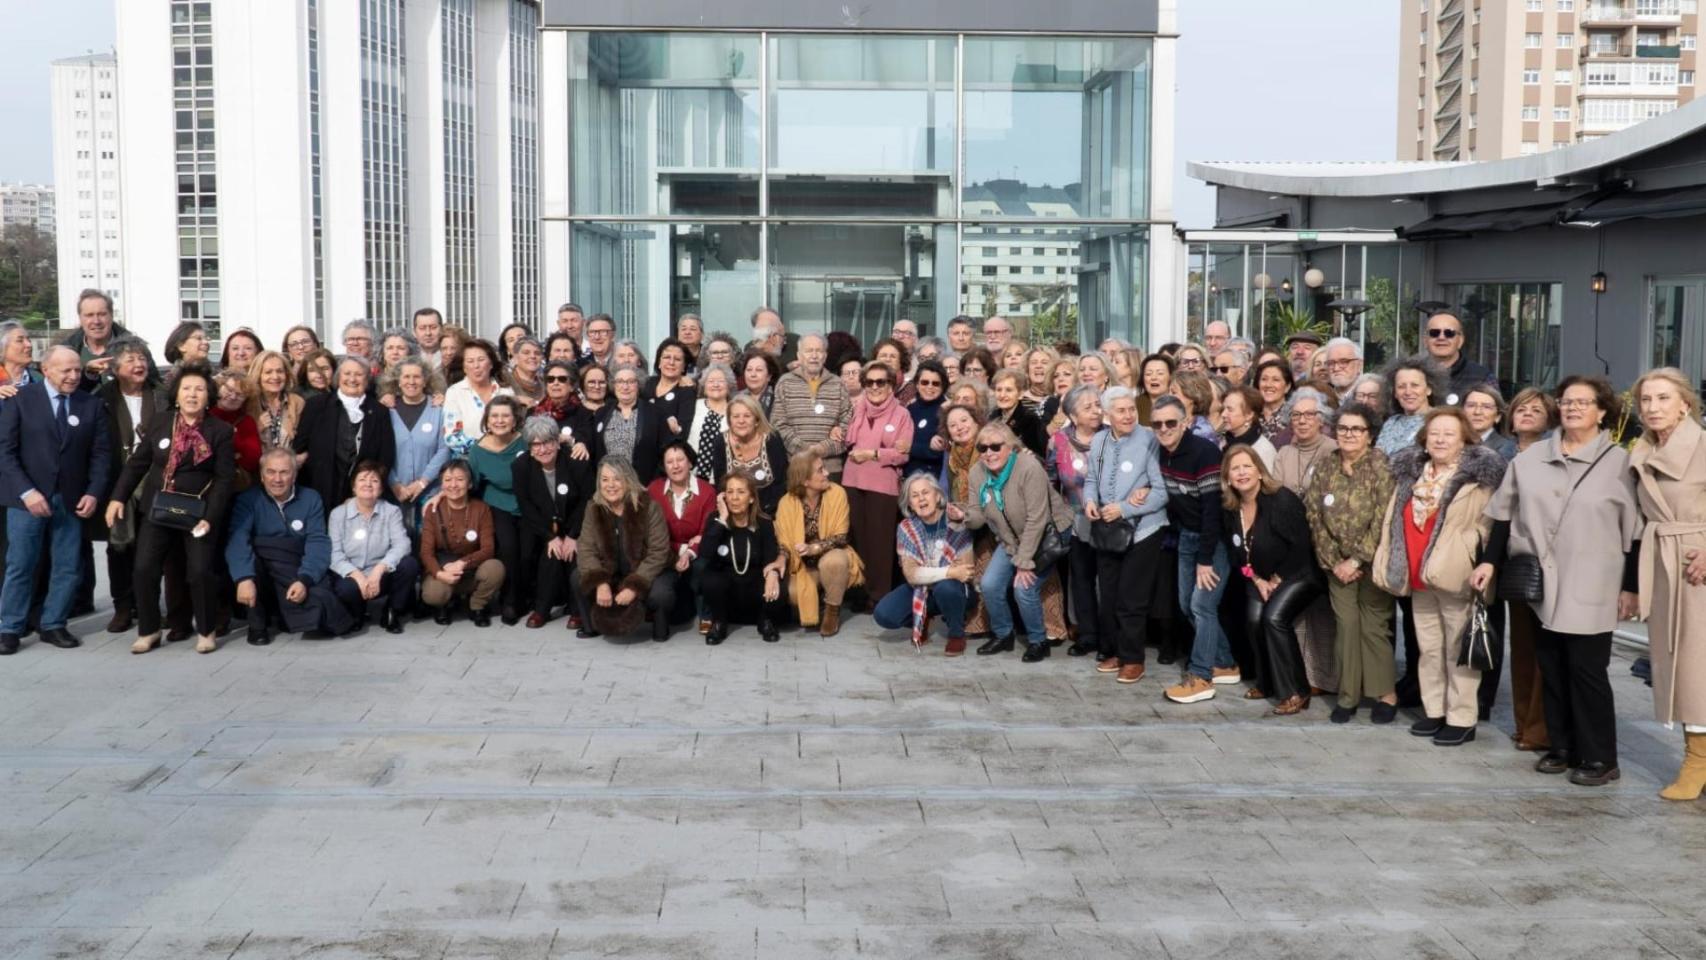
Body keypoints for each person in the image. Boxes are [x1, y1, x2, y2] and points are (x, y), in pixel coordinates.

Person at [1475, 375, 1641, 787]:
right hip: (1541, 582)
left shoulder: (1620, 463)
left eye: (1583, 402)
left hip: (1594, 581)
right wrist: (1489, 563)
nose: (1572, 408)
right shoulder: (1529, 459)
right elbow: (1503, 515)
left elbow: (1636, 533)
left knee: (1587, 670)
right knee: (1549, 665)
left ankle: (1600, 757)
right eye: (1567, 401)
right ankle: (1561, 746)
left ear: (1602, 411)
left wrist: (1631, 587)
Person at [1373, 408, 1505, 746]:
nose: (1440, 440)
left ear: (1464, 440)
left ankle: (1461, 718)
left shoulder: (1477, 479)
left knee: (1456, 651)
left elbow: (1488, 526)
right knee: (1429, 649)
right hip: (1419, 575)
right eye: (1434, 433)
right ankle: (1435, 710)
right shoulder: (1411, 475)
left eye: (1449, 434)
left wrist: (1467, 553)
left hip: (1456, 576)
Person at [1625, 369, 1706, 799]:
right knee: (1678, 664)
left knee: (1697, 667)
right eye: (1646, 400)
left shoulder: (1703, 446)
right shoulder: (1642, 450)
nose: (1653, 407)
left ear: (1684, 405)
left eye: (1662, 398)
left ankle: (1697, 761)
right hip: (1662, 561)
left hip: (1696, 564)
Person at [0, 347, 112, 654]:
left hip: (72, 499)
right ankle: (9, 628)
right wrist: (27, 492)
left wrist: (93, 492)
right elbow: (5, 452)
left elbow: (101, 455)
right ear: (46, 370)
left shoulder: (90, 405)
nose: (74, 376)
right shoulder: (20, 400)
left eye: (77, 370)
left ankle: (53, 623)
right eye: (66, 370)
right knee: (21, 564)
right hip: (27, 500)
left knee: (67, 565)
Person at [952, 417, 1077, 663]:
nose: (989, 453)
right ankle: (1003, 635)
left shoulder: (1028, 468)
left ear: (1010, 447)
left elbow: (1037, 519)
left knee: (1024, 588)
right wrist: (962, 516)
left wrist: (1023, 562)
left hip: (1048, 533)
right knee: (989, 584)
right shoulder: (978, 473)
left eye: (995, 446)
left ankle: (1038, 641)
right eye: (983, 448)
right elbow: (978, 516)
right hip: (1011, 538)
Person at [1304, 402, 1397, 724]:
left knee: (1373, 628)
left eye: (1357, 429)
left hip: (1372, 562)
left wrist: (1357, 559)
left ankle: (1385, 694)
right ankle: (1348, 696)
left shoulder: (1381, 466)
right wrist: (1336, 561)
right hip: (1336, 566)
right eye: (1343, 428)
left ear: (1369, 435)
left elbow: (1384, 517)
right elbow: (1314, 514)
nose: (1349, 434)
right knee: (1346, 627)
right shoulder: (1326, 465)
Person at [1151, 394, 1241, 703]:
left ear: (1185, 422)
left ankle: (1201, 676)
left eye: (1170, 422)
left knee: (1202, 605)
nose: (1164, 429)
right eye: (1157, 424)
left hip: (1212, 541)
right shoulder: (1161, 452)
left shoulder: (1204, 452)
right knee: (1187, 605)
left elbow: (1212, 510)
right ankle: (1225, 662)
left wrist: (1206, 559)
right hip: (1187, 538)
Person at [1223, 444, 1321, 715]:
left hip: (1299, 573)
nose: (1242, 473)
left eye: (1247, 466)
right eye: (1235, 469)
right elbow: (1238, 555)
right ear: (1227, 477)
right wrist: (1256, 579)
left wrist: (1276, 579)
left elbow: (1302, 547)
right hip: (1260, 577)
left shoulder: (1280, 499)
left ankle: (1296, 691)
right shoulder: (1231, 508)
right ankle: (1266, 682)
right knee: (1254, 619)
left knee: (1274, 618)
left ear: (1260, 471)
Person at [224, 447, 354, 645]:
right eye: (271, 472)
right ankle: (257, 624)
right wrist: (243, 578)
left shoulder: (311, 498)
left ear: (294, 475)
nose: (277, 479)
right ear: (262, 476)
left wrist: (304, 579)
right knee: (250, 561)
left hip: (296, 566)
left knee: (321, 602)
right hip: (264, 570)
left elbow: (317, 542)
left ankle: (285, 615)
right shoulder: (248, 500)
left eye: (284, 472)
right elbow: (238, 540)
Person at [92, 339, 162, 634]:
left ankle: (149, 606)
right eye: (131, 359)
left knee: (151, 547)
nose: (139, 364)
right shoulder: (103, 397)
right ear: (115, 368)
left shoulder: (160, 394)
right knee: (119, 546)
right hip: (117, 480)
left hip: (153, 481)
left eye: (142, 358)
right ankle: (123, 606)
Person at [573, 458, 677, 641]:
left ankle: (660, 625)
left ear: (628, 480)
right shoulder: (593, 508)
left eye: (617, 479)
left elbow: (658, 552)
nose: (610, 485)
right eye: (605, 479)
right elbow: (586, 548)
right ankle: (592, 626)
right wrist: (600, 583)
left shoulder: (649, 507)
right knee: (577, 577)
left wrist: (634, 587)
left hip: (645, 571)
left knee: (661, 593)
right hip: (612, 572)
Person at [872, 472, 974, 655]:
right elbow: (912, 575)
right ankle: (924, 616)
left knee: (946, 588)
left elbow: (965, 571)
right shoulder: (906, 528)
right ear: (910, 504)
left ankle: (956, 634)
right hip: (921, 588)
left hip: (955, 590)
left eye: (925, 492)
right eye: (915, 495)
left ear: (938, 495)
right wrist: (949, 571)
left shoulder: (955, 520)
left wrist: (937, 574)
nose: (921, 499)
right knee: (883, 614)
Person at [841, 359, 912, 606]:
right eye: (869, 382)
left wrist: (873, 454)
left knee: (880, 543)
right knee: (857, 538)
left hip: (883, 485)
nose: (874, 387)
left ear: (891, 384)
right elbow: (846, 440)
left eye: (880, 382)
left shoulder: (902, 414)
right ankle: (859, 591)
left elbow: (903, 454)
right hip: (852, 480)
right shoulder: (856, 409)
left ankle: (879, 596)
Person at [775, 453, 863, 636]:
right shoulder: (786, 503)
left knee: (834, 562)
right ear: (805, 481)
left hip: (831, 554)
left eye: (824, 468)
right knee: (793, 594)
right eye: (820, 470)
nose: (827, 473)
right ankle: (818, 602)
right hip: (802, 564)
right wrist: (782, 558)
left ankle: (832, 610)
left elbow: (841, 537)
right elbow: (783, 542)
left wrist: (814, 548)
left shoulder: (837, 493)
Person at [295, 356, 396, 514]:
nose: (352, 379)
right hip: (320, 491)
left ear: (367, 379)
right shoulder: (316, 405)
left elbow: (385, 456)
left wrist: (363, 492)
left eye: (358, 374)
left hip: (361, 496)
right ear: (338, 377)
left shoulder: (379, 411)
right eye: (347, 374)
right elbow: (300, 446)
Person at [328, 460, 419, 634]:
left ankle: (392, 610)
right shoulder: (338, 514)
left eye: (374, 480)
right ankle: (357, 611)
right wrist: (358, 576)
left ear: (381, 489)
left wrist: (380, 569)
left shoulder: (391, 511)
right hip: (352, 575)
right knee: (346, 589)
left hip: (382, 574)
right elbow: (335, 554)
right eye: (362, 479)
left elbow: (403, 544)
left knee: (409, 565)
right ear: (353, 487)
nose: (368, 484)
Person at [514, 415, 588, 629]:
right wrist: (551, 537)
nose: (543, 449)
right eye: (536, 444)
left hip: (576, 522)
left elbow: (587, 500)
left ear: (557, 442)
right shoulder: (521, 466)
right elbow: (526, 505)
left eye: (547, 442)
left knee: (573, 553)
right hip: (542, 525)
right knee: (551, 553)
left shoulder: (575, 461)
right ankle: (542, 609)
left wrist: (572, 536)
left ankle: (577, 610)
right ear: (530, 448)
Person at [1046, 386, 1103, 657]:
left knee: (1108, 580)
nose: (1096, 411)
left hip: (1110, 518)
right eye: (1088, 407)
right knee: (1081, 579)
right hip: (1075, 520)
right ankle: (1087, 634)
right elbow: (1050, 481)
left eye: (1097, 405)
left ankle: (1110, 634)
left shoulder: (1111, 436)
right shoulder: (1058, 441)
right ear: (1073, 415)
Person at [699, 471, 786, 645]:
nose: (734, 498)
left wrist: (772, 574)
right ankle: (719, 622)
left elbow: (770, 557)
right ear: (723, 497)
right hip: (726, 585)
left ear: (751, 498)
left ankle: (765, 620)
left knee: (779, 583)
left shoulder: (764, 523)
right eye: (730, 492)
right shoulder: (715, 520)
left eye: (741, 492)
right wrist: (722, 519)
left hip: (754, 583)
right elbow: (705, 553)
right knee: (710, 579)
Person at [462, 396, 526, 623]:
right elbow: (470, 485)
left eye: (505, 416)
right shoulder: (478, 451)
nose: (500, 420)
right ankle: (509, 602)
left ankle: (528, 596)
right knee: (508, 548)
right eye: (494, 416)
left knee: (528, 550)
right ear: (487, 421)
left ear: (515, 420)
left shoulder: (525, 441)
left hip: (527, 503)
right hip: (497, 505)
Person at [419, 459, 505, 626]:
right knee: (433, 594)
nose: (453, 485)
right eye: (448, 480)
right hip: (444, 570)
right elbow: (426, 552)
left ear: (470, 484)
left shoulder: (481, 509)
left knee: (495, 568)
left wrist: (462, 563)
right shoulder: (433, 510)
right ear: (441, 484)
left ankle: (477, 605)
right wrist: (440, 574)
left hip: (471, 569)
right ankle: (444, 604)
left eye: (460, 479)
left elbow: (488, 549)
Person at [647, 441, 717, 634]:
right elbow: (652, 533)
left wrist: (689, 552)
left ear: (690, 463)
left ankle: (707, 614)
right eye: (669, 462)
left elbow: (706, 533)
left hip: (698, 554)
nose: (675, 466)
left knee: (703, 566)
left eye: (680, 460)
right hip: (665, 552)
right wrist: (680, 549)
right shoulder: (653, 490)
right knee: (677, 617)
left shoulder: (707, 491)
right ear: (664, 466)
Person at [771, 334, 853, 478]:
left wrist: (823, 448)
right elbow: (778, 424)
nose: (814, 356)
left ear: (825, 356)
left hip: (831, 468)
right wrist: (805, 449)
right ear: (799, 355)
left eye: (818, 351)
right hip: (796, 466)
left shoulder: (838, 384)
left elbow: (848, 424)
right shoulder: (785, 383)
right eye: (809, 351)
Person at [387, 357, 450, 532]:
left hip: (431, 492)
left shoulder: (439, 409)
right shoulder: (387, 410)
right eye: (406, 377)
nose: (411, 381)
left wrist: (422, 482)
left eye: (417, 377)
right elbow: (381, 451)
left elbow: (444, 449)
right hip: (395, 493)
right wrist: (394, 483)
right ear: (398, 381)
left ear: (425, 380)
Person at [62, 289, 159, 391]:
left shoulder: (136, 348)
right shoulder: (65, 351)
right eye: (89, 315)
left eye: (102, 314)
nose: (96, 321)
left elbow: (155, 387)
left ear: (111, 315)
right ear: (80, 318)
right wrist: (88, 374)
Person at [594, 364, 664, 484]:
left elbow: (663, 451)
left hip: (643, 484)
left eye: (631, 382)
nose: (625, 387)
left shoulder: (654, 413)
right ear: (614, 385)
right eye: (620, 381)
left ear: (638, 385)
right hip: (610, 485)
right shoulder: (602, 413)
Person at [442, 338, 512, 456]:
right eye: (470, 361)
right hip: (469, 460)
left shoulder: (506, 391)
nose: (476, 366)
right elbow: (451, 437)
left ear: (491, 364)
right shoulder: (454, 392)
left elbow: (515, 429)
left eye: (481, 360)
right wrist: (487, 447)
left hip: (505, 456)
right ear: (464, 367)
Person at [1377, 355, 1447, 456]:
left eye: (1415, 385)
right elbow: (1377, 457)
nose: (1408, 392)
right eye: (1401, 386)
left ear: (1429, 389)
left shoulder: (1440, 420)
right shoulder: (1392, 422)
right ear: (1395, 393)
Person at [1423, 312, 1497, 403]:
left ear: (1460, 341)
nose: (1441, 337)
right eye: (1434, 333)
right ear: (1425, 341)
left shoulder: (1482, 377)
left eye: (1449, 333)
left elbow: (1492, 409)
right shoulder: (1413, 374)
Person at [686, 362, 736, 483]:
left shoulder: (735, 411)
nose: (716, 385)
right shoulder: (693, 406)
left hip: (723, 479)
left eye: (721, 381)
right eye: (711, 381)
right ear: (704, 386)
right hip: (689, 477)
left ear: (729, 386)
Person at [210, 369, 262, 482]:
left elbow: (252, 460)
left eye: (240, 395)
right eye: (229, 390)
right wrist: (236, 454)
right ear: (219, 387)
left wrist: (232, 436)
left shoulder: (246, 421)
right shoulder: (203, 413)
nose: (233, 396)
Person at [248, 350, 304, 452]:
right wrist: (256, 428)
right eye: (268, 372)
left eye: (280, 371)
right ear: (258, 375)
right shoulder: (248, 404)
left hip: (290, 461)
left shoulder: (297, 402)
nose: (275, 377)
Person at [644, 338, 697, 444]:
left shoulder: (687, 392)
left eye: (677, 359)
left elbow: (682, 432)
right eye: (667, 357)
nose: (671, 362)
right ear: (659, 362)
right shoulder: (647, 383)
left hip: (669, 449)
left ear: (684, 367)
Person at [905, 360, 949, 479]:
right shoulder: (910, 408)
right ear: (917, 384)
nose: (930, 387)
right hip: (906, 476)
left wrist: (910, 448)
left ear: (943, 386)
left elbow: (938, 451)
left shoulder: (946, 410)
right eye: (924, 382)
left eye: (935, 383)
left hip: (932, 478)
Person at [990, 369, 1047, 458]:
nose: (1002, 395)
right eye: (999, 390)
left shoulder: (1030, 420)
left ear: (1020, 394)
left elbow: (1039, 456)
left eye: (1008, 390)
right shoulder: (992, 417)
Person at [1220, 385, 1275, 470]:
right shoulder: (1223, 442)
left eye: (1230, 410)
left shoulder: (1263, 449)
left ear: (1249, 415)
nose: (1223, 414)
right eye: (1223, 409)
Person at [1464, 385, 1518, 461]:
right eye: (1471, 405)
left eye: (1486, 407)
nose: (1477, 412)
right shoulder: (1452, 443)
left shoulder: (1507, 448)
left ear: (1498, 416)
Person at [507, 336, 545, 407]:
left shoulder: (546, 385)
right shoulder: (505, 381)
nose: (533, 356)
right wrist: (515, 400)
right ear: (515, 357)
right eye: (526, 353)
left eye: (537, 353)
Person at [740, 349, 780, 417]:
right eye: (749, 370)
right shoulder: (736, 398)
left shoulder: (778, 399)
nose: (753, 374)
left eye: (759, 370)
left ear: (769, 376)